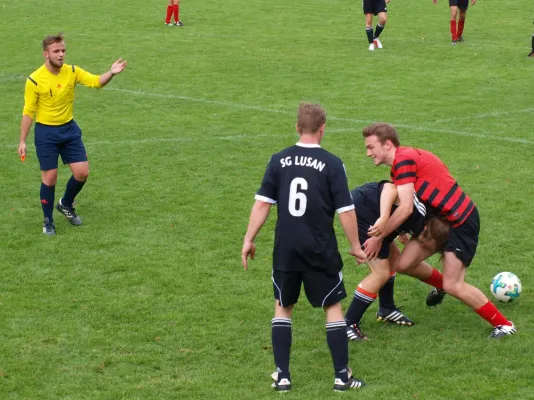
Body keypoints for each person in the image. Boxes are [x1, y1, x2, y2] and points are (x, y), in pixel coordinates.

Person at [241, 103, 367, 392]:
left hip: (286, 248)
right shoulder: (333, 164)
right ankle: (341, 377)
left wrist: (249, 238)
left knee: (283, 307)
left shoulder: (278, 159)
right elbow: (346, 211)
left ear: (297, 127)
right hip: (319, 248)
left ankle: (282, 376)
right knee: (332, 307)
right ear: (323, 129)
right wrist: (355, 246)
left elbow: (262, 203)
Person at [360, 123, 516, 339]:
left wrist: (379, 238)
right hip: (439, 220)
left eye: (370, 147)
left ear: (387, 144)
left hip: (460, 221)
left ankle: (505, 325)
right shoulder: (399, 165)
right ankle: (441, 285)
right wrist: (402, 230)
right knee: (403, 264)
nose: (368, 153)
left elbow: (405, 208)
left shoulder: (404, 159)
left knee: (454, 284)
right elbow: (411, 204)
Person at [18, 33, 127, 235]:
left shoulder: (72, 71)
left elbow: (96, 82)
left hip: (69, 129)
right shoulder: (34, 80)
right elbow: (28, 112)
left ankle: (65, 204)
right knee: (50, 178)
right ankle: (48, 220)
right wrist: (22, 140)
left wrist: (111, 73)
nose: (61, 55)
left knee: (82, 173)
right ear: (46, 54)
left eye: (63, 51)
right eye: (56, 51)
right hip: (46, 133)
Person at [345, 181, 450, 340]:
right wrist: (380, 227)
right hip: (364, 209)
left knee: (393, 257)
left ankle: (387, 308)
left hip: (374, 214)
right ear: (427, 229)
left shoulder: (427, 221)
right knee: (380, 274)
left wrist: (401, 230)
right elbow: (390, 188)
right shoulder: (418, 214)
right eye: (426, 243)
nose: (423, 246)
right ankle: (348, 324)